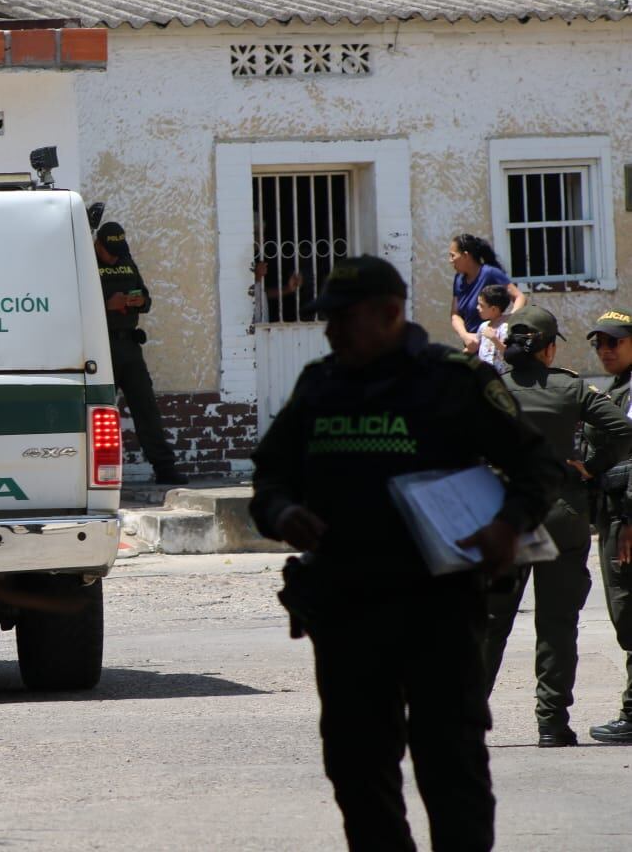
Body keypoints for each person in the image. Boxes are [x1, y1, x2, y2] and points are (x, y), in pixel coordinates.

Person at [249, 254, 559, 852]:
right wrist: (283, 513)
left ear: (390, 314)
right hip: (345, 607)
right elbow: (270, 476)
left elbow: (536, 468)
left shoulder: (453, 379)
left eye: (344, 318)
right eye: (328, 319)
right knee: (357, 769)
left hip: (437, 606)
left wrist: (507, 526)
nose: (331, 331)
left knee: (451, 765)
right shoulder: (321, 383)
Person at [482, 306, 632, 746]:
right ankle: (552, 725)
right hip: (562, 514)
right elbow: (622, 431)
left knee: (491, 622)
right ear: (549, 349)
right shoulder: (572, 388)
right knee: (557, 624)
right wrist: (591, 466)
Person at [94, 221, 186, 485]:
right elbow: (72, 306)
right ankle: (99, 476)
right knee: (99, 411)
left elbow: (146, 296)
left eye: (117, 251)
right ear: (98, 245)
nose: (114, 256)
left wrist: (140, 301)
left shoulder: (126, 259)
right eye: (109, 251)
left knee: (146, 408)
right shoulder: (84, 261)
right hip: (101, 346)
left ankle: (165, 468)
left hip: (129, 347)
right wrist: (107, 305)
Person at [582, 308, 632, 744]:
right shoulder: (616, 390)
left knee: (630, 610)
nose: (604, 350)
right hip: (612, 512)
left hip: (626, 518)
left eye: (613, 341)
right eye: (599, 343)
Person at [449, 233, 525, 355]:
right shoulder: (458, 279)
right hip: (473, 347)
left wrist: (506, 320)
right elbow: (455, 314)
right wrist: (466, 336)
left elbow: (519, 297)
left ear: (465, 256)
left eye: (453, 256)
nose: (450, 260)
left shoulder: (490, 273)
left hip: (493, 349)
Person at [474, 284, 512, 374]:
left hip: (501, 375)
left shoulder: (504, 327)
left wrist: (494, 338)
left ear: (494, 309)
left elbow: (507, 352)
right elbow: (474, 344)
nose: (477, 308)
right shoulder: (483, 326)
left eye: (481, 305)